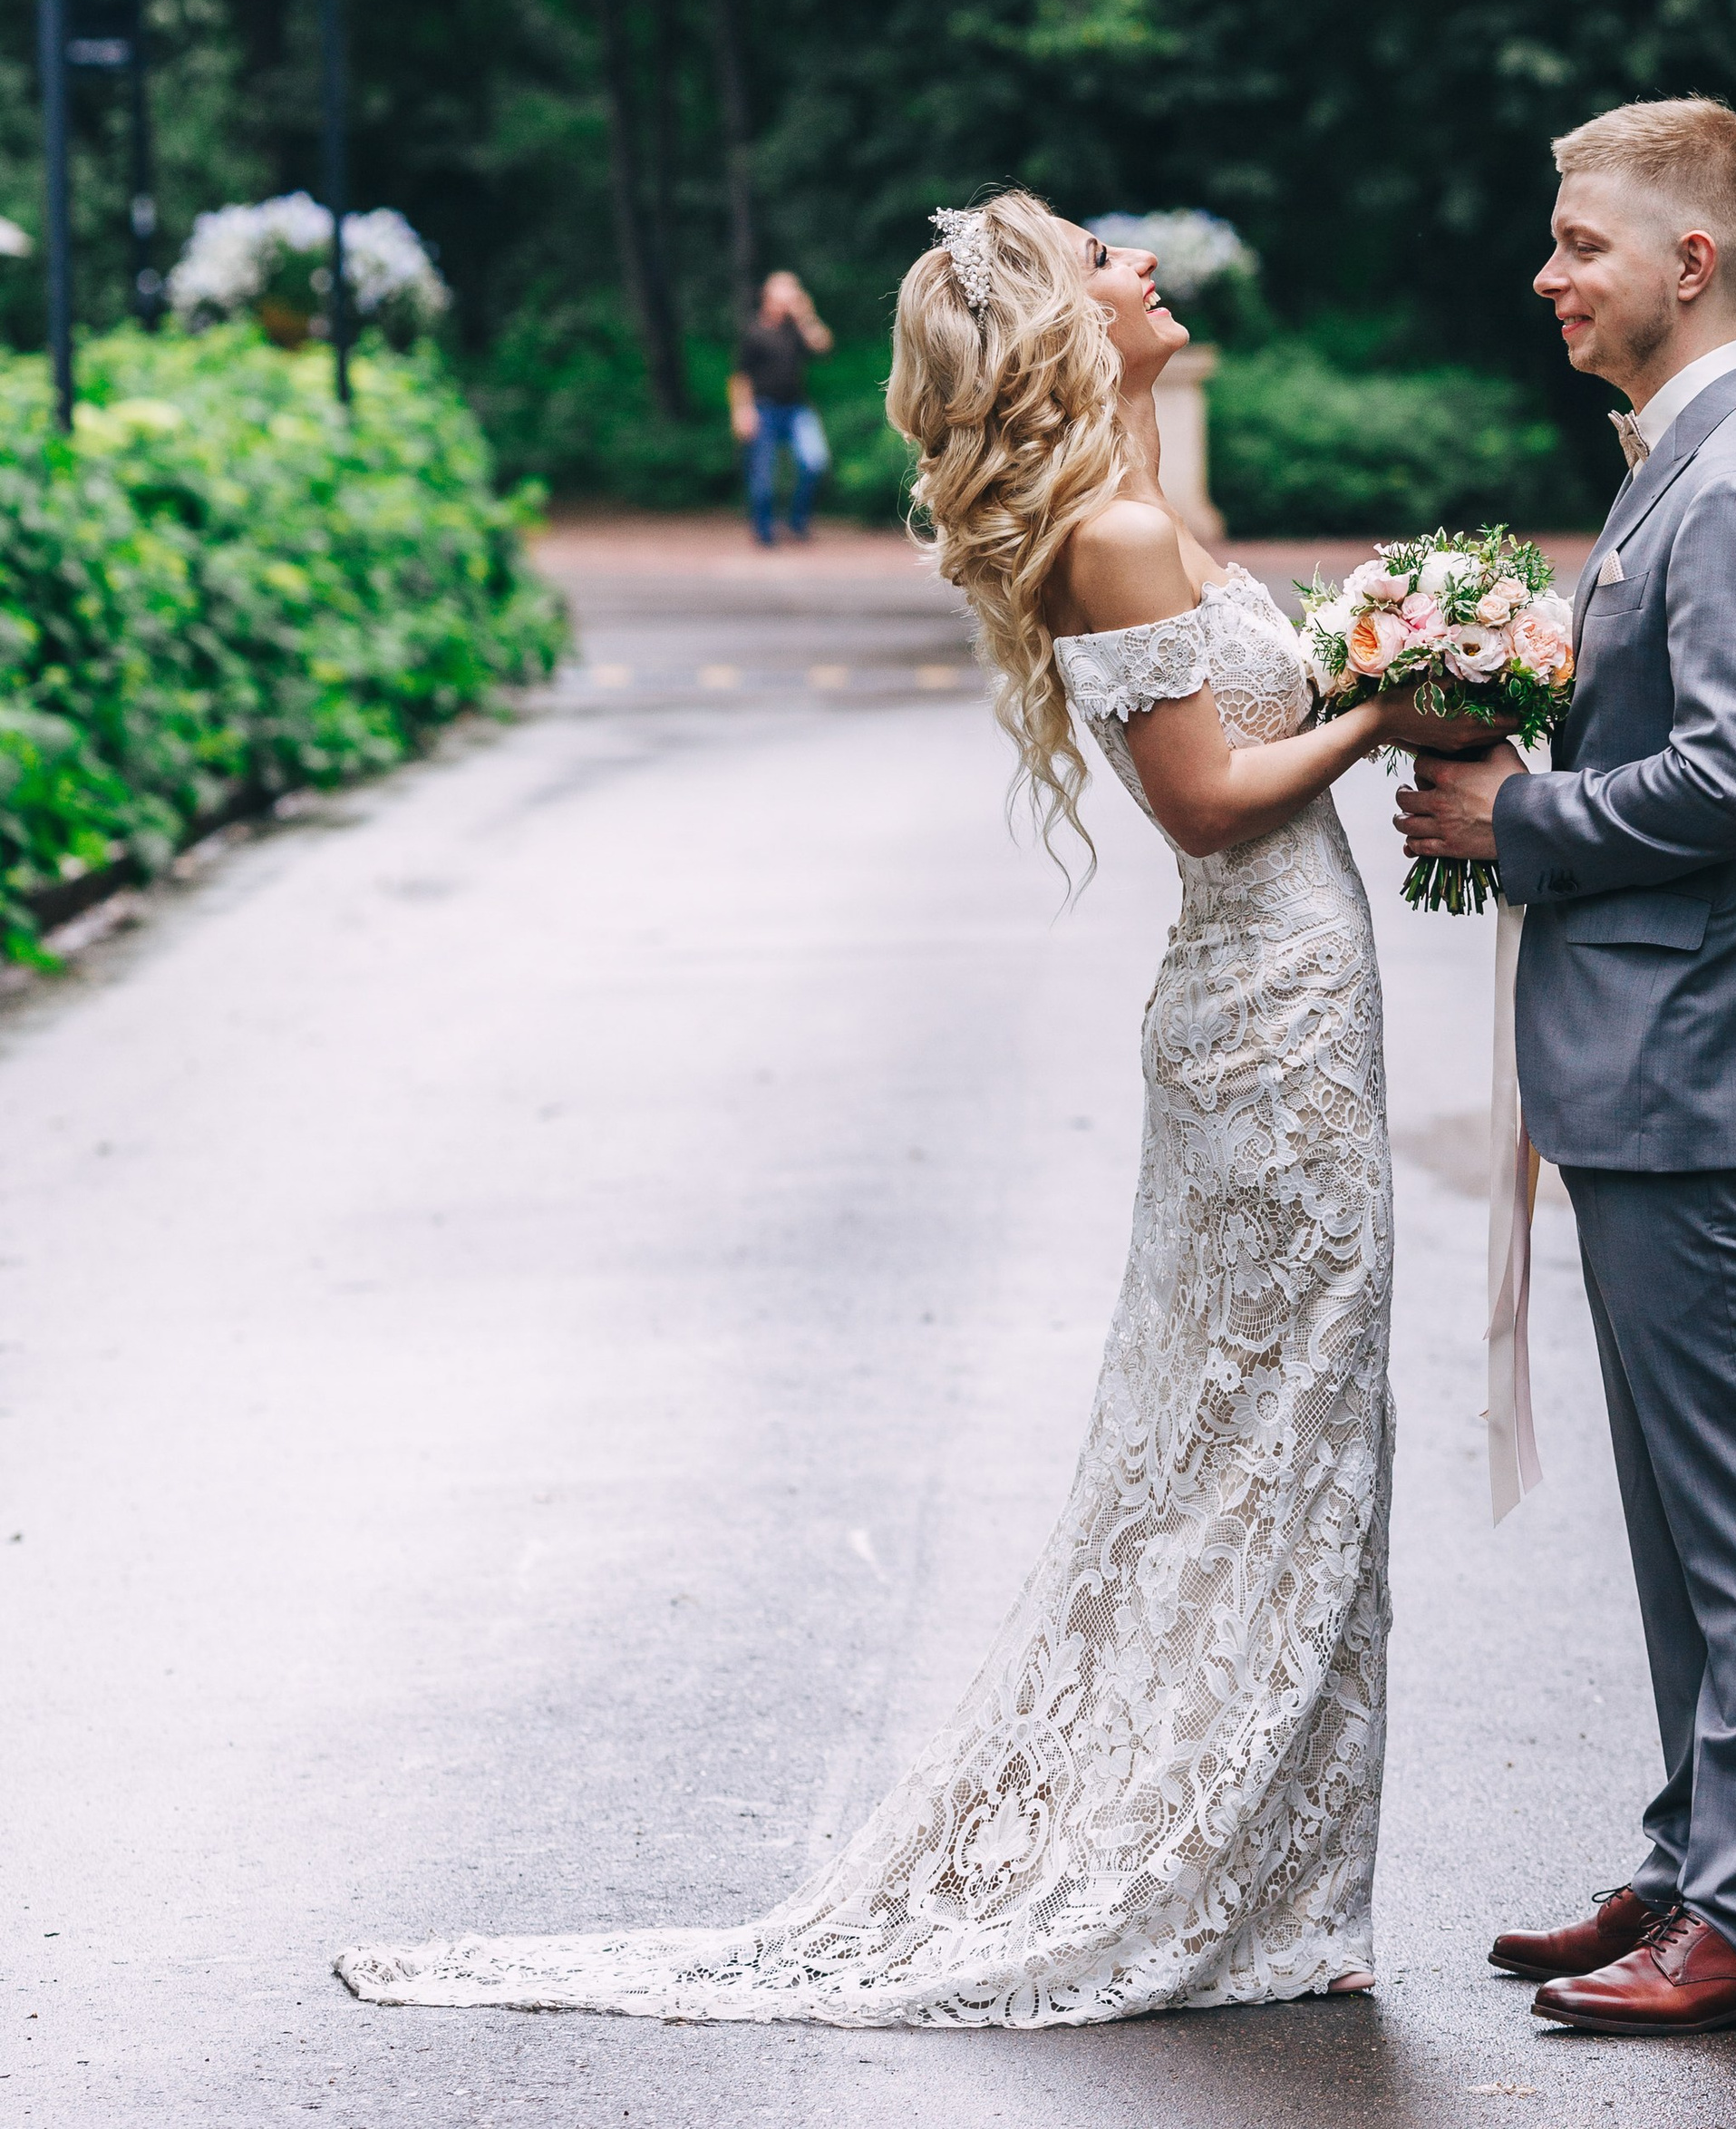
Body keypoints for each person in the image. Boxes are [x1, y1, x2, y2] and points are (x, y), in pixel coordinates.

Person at [338, 187, 1465, 2030]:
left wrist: (1361, 660)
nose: (1146, 269)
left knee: (1286, 1432)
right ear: (1057, 323)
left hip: (1286, 1003)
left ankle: (1273, 1866)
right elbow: (1202, 797)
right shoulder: (1108, 531)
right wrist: (1401, 694)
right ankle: (1207, 1865)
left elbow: (1236, 707)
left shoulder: (1132, 503)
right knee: (1251, 1441)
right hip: (1262, 1018)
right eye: (1111, 260)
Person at [1397, 98, 1736, 2038]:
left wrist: (1524, 813)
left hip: (1702, 1057)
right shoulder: (1690, 460)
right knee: (1681, 1506)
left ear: (1690, 263)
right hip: (1648, 1059)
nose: (1547, 272)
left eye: (1580, 243)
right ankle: (1690, 1861)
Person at [732, 269, 832, 545]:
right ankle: (763, 533)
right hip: (763, 408)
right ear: (768, 295)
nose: (791, 294)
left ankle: (797, 523)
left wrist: (806, 316)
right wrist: (742, 411)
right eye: (785, 289)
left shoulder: (797, 328)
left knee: (814, 462)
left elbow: (823, 347)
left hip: (797, 409)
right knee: (762, 476)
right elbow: (741, 376)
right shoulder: (754, 331)